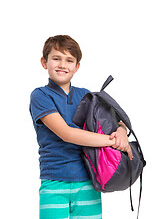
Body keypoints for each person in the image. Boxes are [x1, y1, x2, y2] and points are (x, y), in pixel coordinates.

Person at [29, 35, 133, 219]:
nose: (62, 64)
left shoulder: (86, 96)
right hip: (54, 181)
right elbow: (66, 133)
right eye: (56, 58)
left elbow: (117, 122)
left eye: (69, 60)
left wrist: (121, 133)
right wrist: (113, 141)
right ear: (44, 62)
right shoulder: (40, 95)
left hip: (88, 181)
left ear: (77, 66)